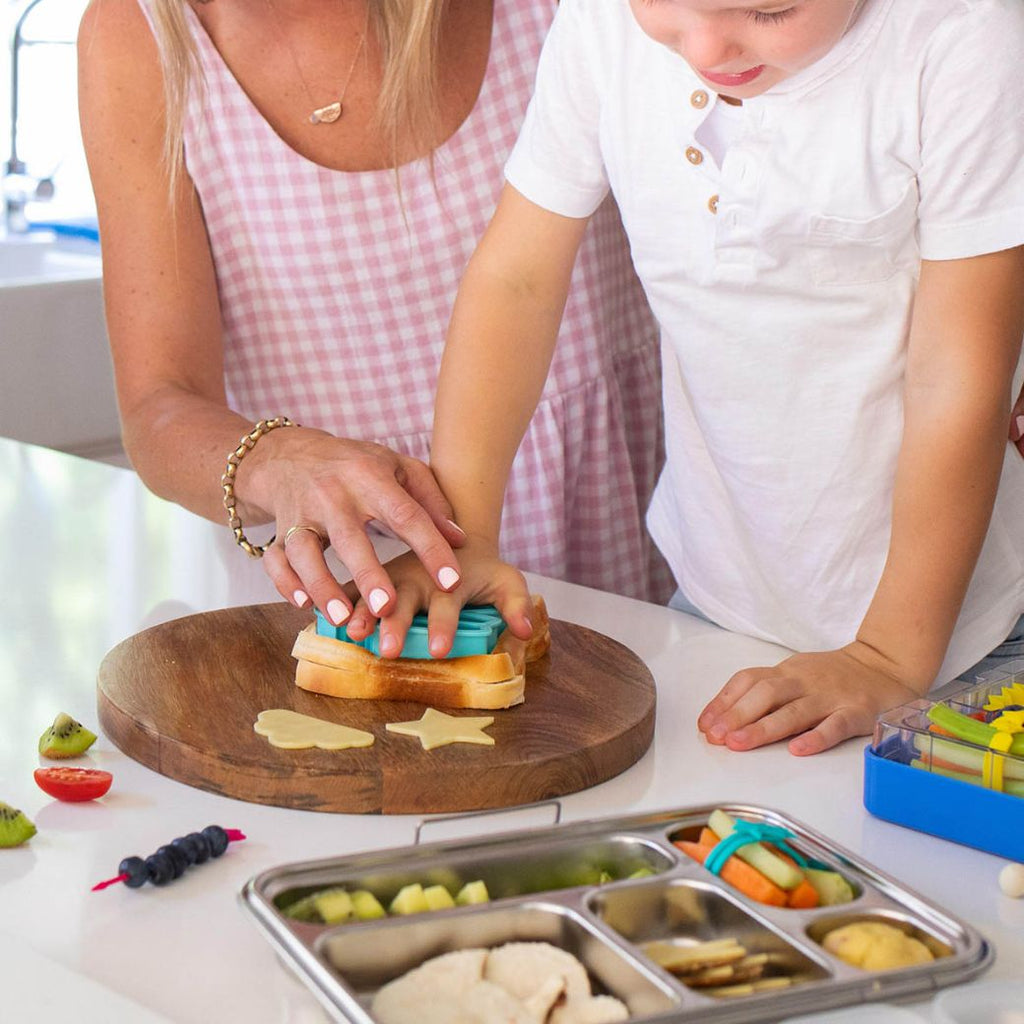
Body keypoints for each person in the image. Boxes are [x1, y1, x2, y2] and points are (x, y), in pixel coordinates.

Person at [353, 0, 1024, 751]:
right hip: (718, 606)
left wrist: (889, 656)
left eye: (770, 10)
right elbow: (517, 281)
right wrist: (466, 533)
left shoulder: (964, 39)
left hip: (954, 638)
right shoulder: (601, 24)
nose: (705, 46)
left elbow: (958, 374)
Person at [77, 0, 672, 646]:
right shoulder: (136, 37)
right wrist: (277, 463)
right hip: (357, 589)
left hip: (629, 525)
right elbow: (158, 404)